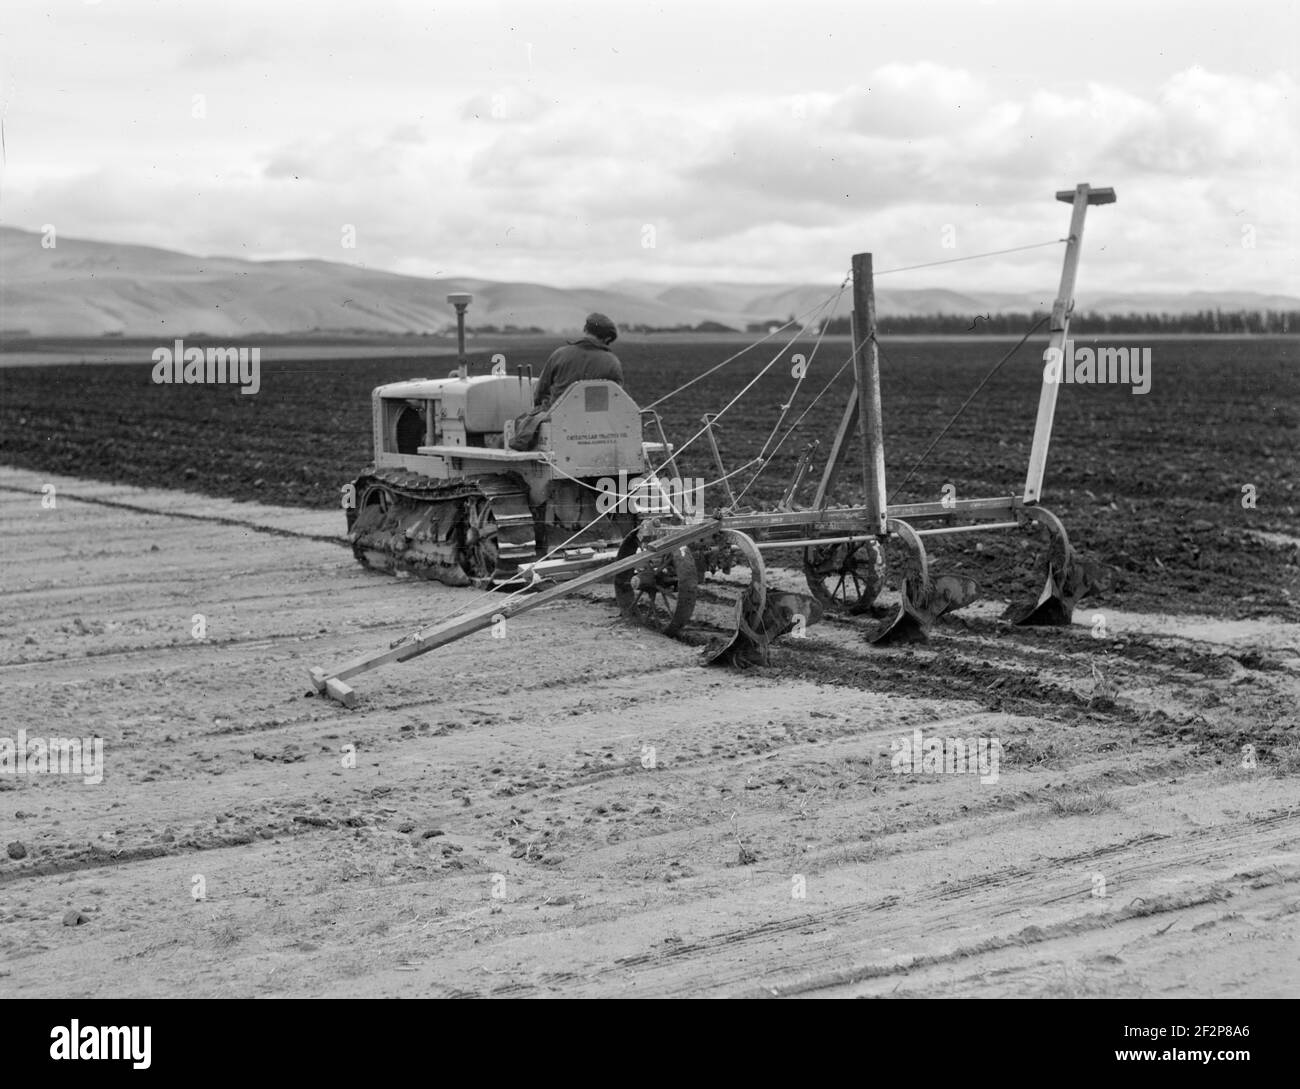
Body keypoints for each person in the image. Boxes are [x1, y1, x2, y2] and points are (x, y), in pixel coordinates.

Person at [532, 312, 623, 408]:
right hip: (595, 419)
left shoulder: (559, 354)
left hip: (557, 417)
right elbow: (617, 399)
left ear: (585, 330)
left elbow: (539, 394)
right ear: (607, 339)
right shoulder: (613, 362)